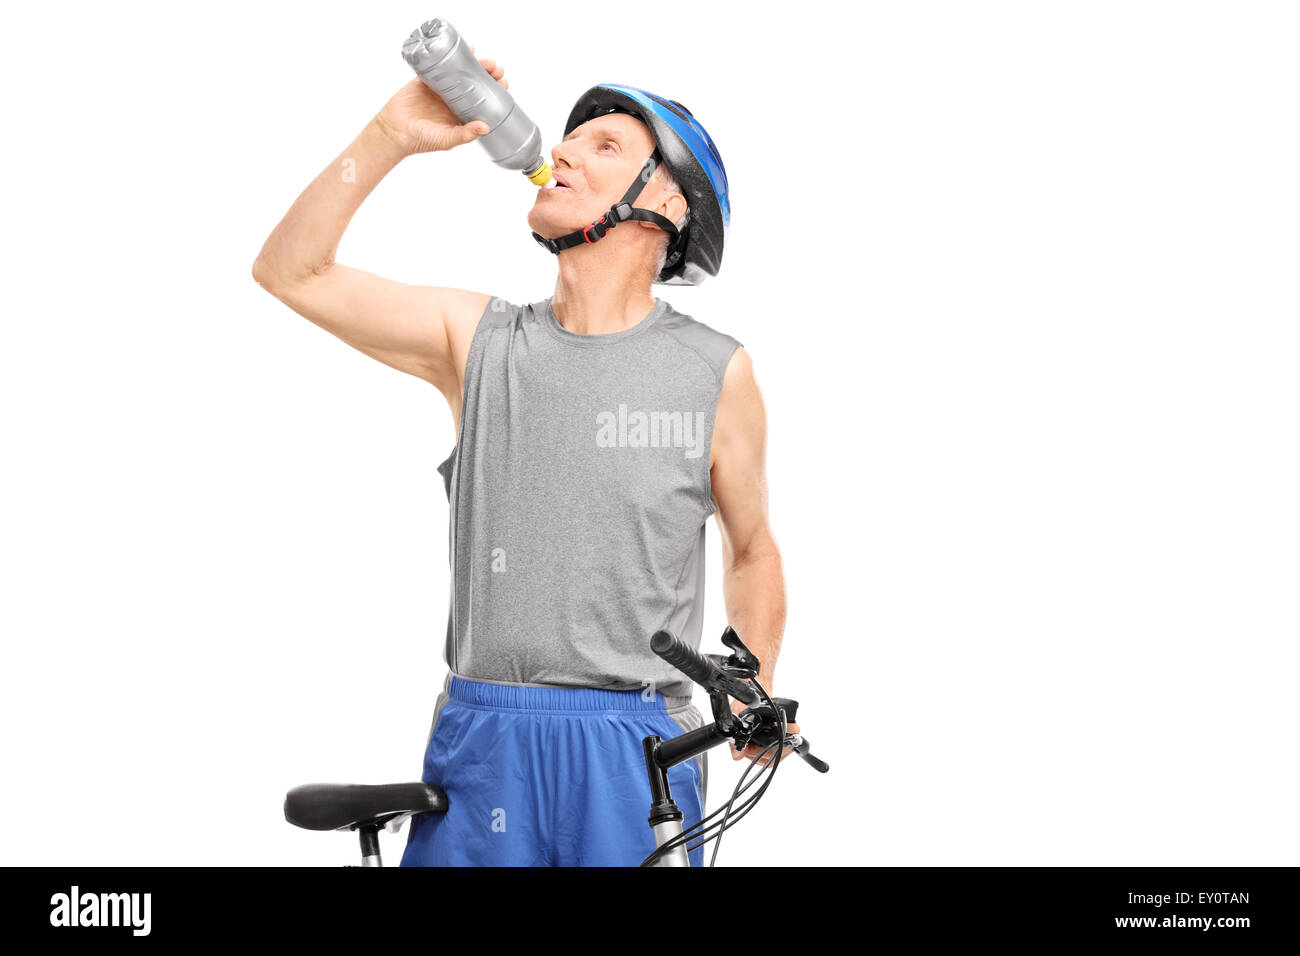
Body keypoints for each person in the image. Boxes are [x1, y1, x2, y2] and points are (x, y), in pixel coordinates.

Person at [252, 52, 796, 866]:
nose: (567, 151)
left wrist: (751, 684)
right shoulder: (476, 340)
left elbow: (751, 548)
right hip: (484, 737)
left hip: (635, 743)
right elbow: (289, 270)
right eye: (570, 138)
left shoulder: (716, 371)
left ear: (667, 202)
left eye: (606, 146)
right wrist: (391, 134)